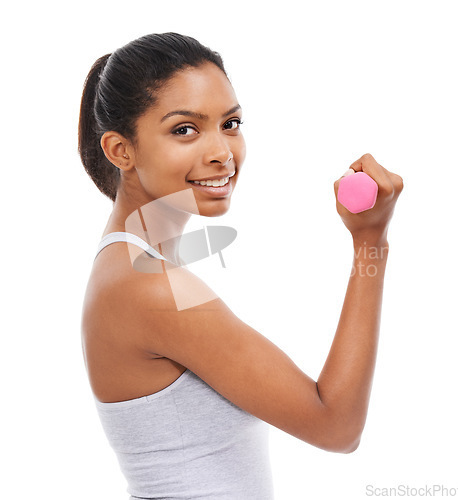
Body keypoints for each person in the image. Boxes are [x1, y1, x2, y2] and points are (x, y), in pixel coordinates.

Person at [79, 32, 404, 500]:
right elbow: (336, 426)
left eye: (230, 123)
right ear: (120, 151)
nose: (222, 153)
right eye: (185, 129)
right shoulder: (147, 286)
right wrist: (370, 243)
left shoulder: (130, 265)